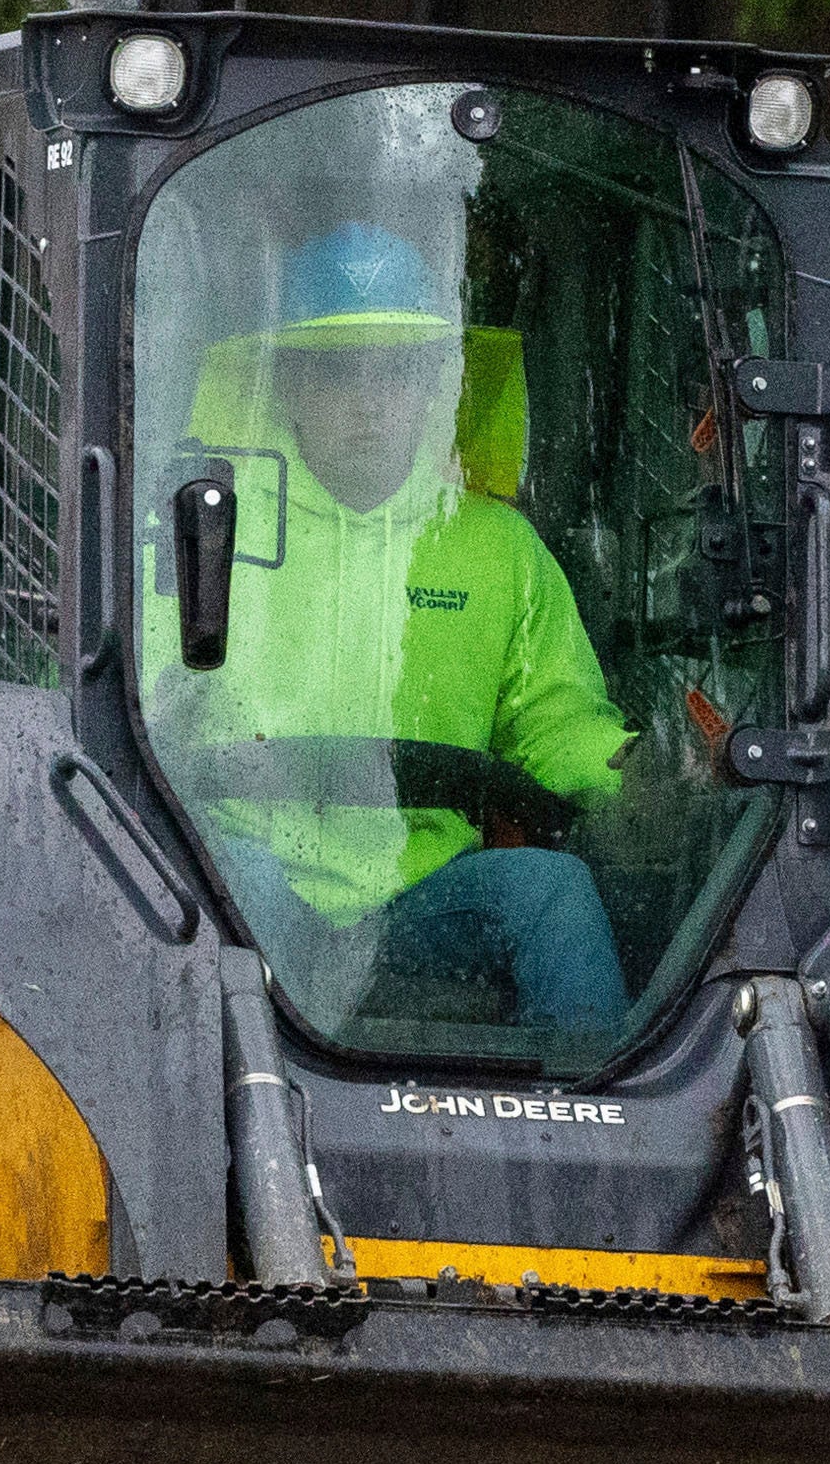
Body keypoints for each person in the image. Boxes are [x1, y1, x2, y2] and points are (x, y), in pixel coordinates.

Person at [172, 221, 635, 1034]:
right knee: (213, 877)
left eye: (397, 373)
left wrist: (631, 784)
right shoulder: (205, 528)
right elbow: (139, 701)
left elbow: (557, 725)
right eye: (338, 374)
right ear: (286, 386)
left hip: (420, 897)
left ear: (437, 386)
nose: (369, 403)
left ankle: (589, 1136)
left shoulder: (499, 551)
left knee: (551, 894)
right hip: (249, 876)